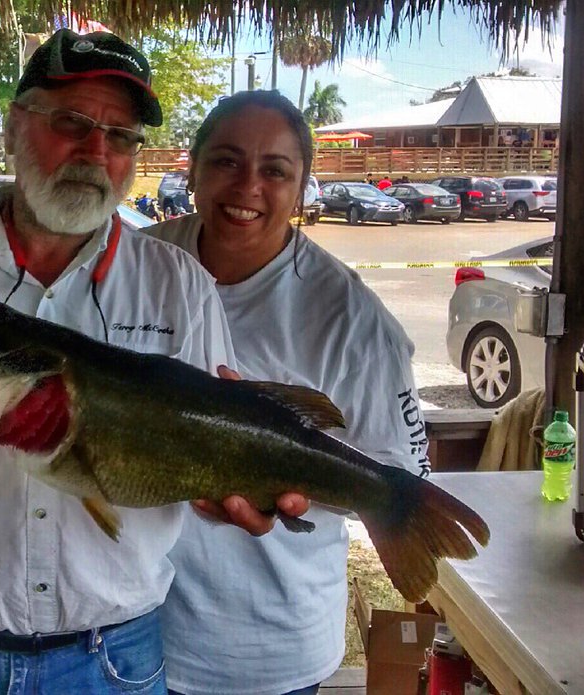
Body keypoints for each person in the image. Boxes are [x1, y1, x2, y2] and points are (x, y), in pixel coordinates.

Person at [0, 30, 304, 694]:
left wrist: (235, 484)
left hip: (115, 661)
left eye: (121, 136)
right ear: (14, 127)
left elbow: (207, 468)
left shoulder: (180, 284)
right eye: (72, 122)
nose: (97, 151)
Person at [149, 90, 430, 695]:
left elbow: (403, 473)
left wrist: (282, 465)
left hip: (268, 649)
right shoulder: (137, 264)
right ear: (192, 169)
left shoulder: (354, 319)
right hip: (130, 633)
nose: (248, 185)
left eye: (275, 170)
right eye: (225, 160)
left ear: (301, 187)